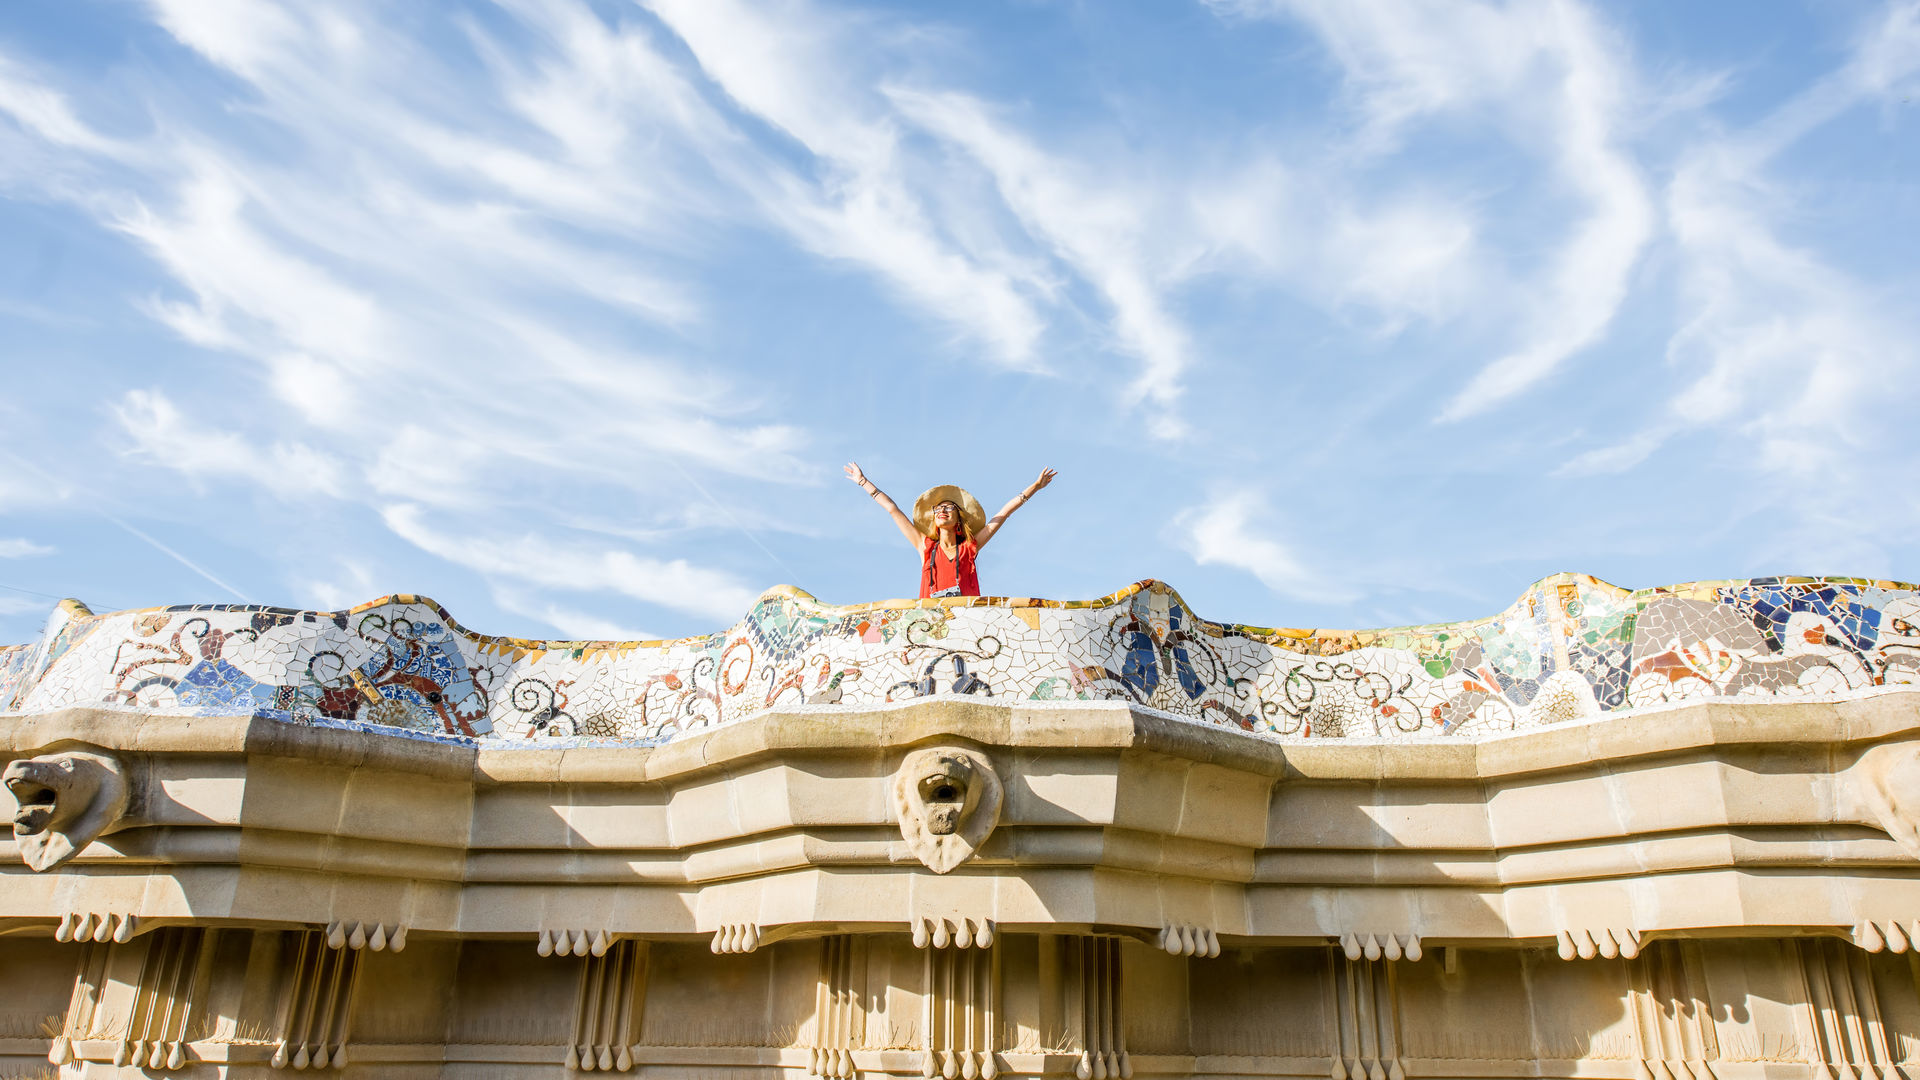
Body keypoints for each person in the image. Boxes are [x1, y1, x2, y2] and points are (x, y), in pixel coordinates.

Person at [844, 463, 1057, 599]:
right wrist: (863, 481)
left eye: (948, 508)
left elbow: (1003, 514)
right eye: (938, 509)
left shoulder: (969, 547)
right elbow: (892, 509)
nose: (942, 511)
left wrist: (1035, 487)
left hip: (965, 620)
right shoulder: (925, 546)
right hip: (931, 623)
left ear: (958, 518)